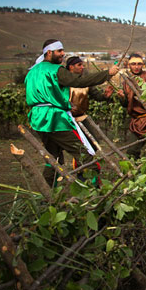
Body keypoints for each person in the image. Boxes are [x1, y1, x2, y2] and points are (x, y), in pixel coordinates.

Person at [25, 39, 118, 185]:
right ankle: (96, 190)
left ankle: (49, 194)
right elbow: (79, 81)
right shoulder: (56, 70)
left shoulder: (31, 72)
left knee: (53, 156)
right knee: (83, 153)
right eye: (59, 51)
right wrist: (107, 74)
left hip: (37, 118)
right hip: (54, 119)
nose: (63, 53)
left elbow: (41, 95)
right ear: (49, 53)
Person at [105, 53, 146, 159]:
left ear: (142, 65)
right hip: (137, 121)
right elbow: (125, 104)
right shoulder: (125, 82)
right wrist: (121, 97)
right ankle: (136, 172)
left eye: (139, 64)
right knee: (132, 152)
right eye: (133, 64)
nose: (136, 67)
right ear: (129, 65)